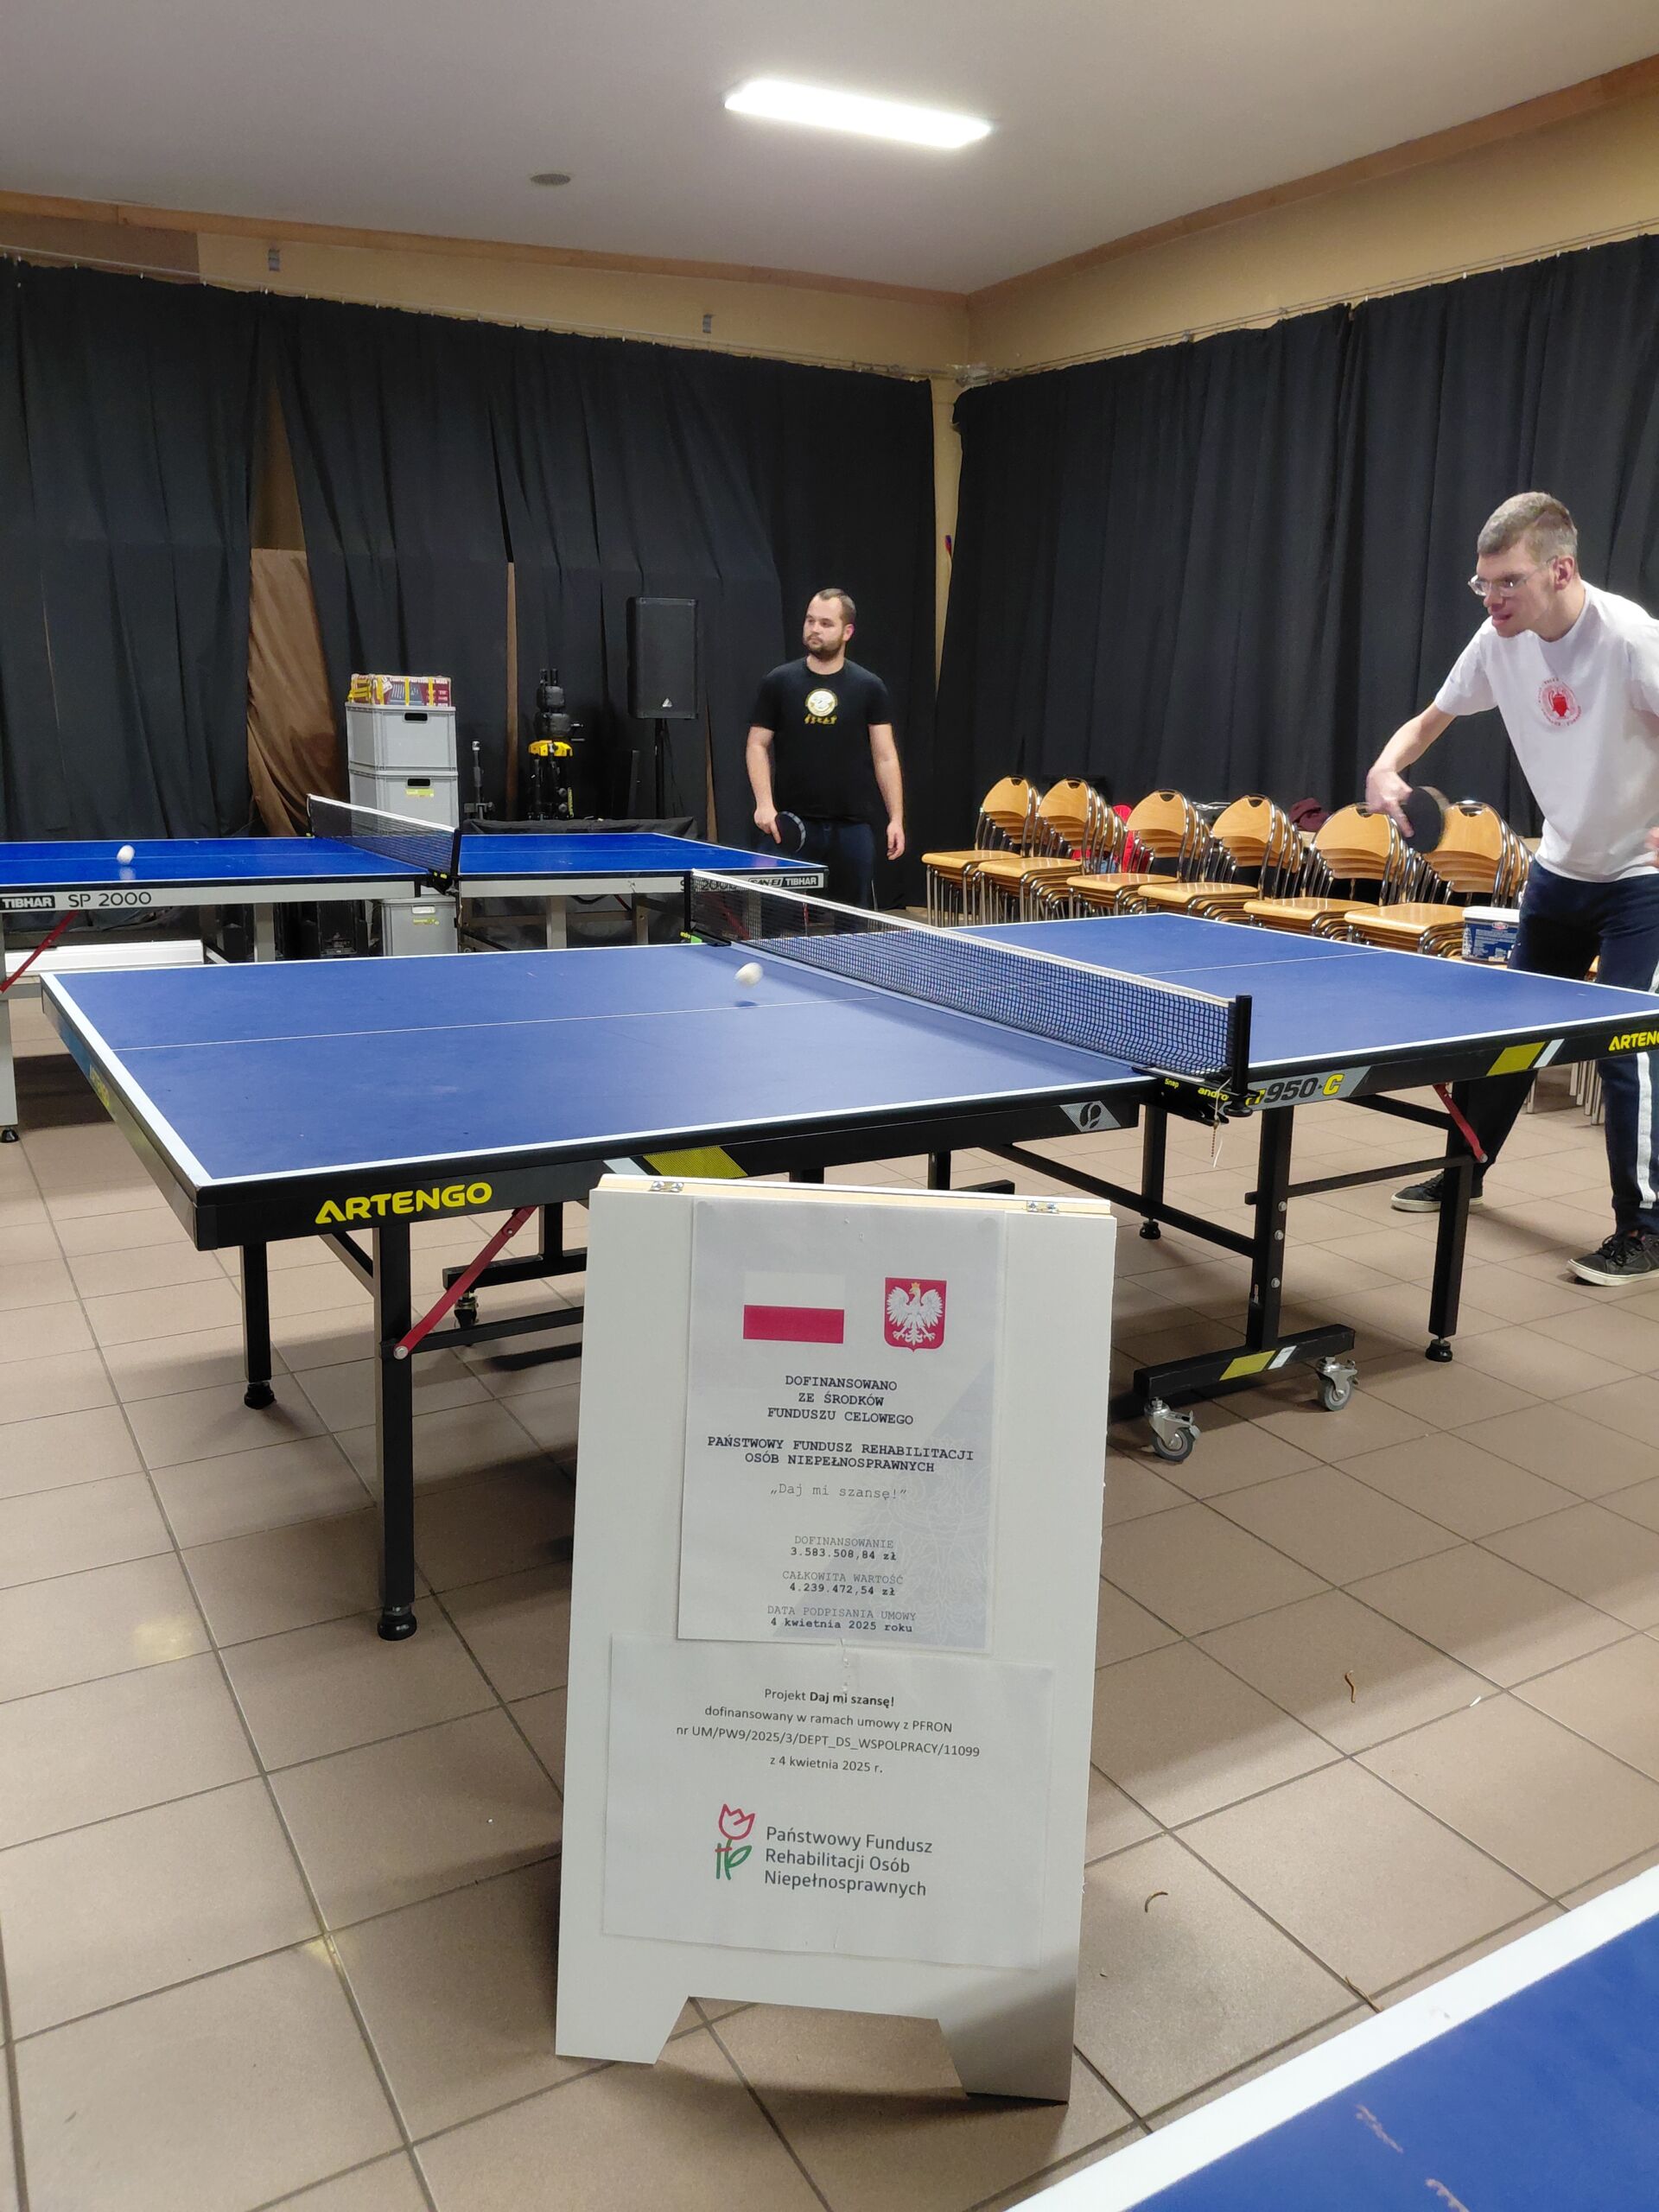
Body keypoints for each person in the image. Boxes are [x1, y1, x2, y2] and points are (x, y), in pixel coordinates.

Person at [1365, 492, 1659, 1285]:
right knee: (1511, 1035)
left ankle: (1645, 1227)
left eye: (1508, 582)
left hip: (1640, 881)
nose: (1492, 599)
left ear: (1560, 571)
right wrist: (1387, 767)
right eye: (1483, 583)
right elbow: (1430, 720)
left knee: (1627, 1049)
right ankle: (1464, 1170)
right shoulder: (1499, 641)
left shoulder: (1632, 641)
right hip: (1560, 871)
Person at [747, 588, 905, 907]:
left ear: (847, 631)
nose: (814, 629)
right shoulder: (779, 682)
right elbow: (757, 744)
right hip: (793, 825)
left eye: (826, 623)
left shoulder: (869, 687)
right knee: (778, 919)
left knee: (852, 925)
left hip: (852, 828)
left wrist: (896, 818)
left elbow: (885, 757)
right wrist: (764, 805)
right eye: (810, 621)